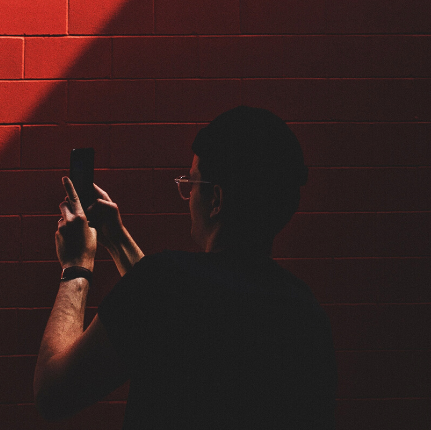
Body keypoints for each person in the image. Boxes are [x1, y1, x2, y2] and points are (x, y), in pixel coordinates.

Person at [34, 106, 337, 429]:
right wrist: (116, 239)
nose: (188, 194)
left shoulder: (165, 283)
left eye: (192, 183)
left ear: (216, 199)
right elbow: (183, 312)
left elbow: (53, 394)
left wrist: (76, 267)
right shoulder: (305, 313)